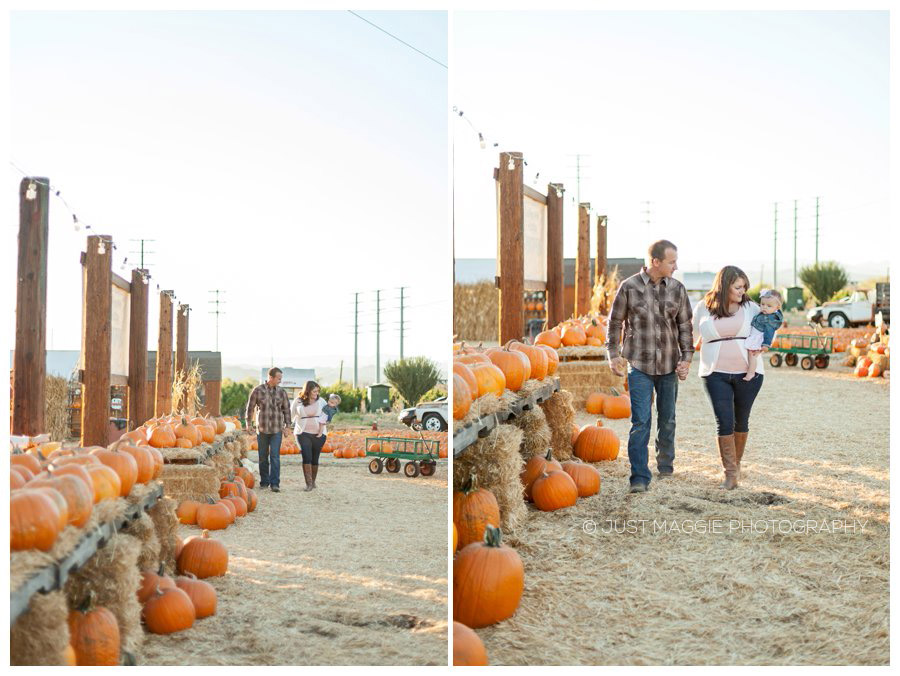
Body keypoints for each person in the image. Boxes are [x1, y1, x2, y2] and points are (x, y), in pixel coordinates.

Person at [606, 240, 694, 493]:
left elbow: (685, 327)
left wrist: (686, 358)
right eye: (671, 261)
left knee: (667, 420)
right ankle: (639, 477)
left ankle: (665, 464)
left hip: (668, 365)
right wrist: (612, 355)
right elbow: (614, 323)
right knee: (641, 421)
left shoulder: (677, 289)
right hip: (639, 366)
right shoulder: (629, 287)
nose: (676, 266)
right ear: (655, 262)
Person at [692, 265, 765, 489]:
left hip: (748, 373)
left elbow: (770, 325)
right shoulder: (703, 307)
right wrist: (685, 357)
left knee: (741, 421)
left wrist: (766, 343)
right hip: (715, 374)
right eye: (737, 287)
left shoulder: (752, 307)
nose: (742, 291)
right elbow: (690, 335)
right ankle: (730, 474)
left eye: (744, 287)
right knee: (724, 421)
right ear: (724, 286)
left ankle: (737, 463)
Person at [245, 367, 292, 492]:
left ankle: (275, 483)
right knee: (262, 457)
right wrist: (248, 424)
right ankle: (264, 482)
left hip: (277, 429)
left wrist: (288, 426)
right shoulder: (258, 390)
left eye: (281, 378)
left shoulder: (282, 392)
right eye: (278, 378)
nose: (280, 381)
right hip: (262, 429)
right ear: (270, 377)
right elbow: (250, 408)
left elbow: (286, 410)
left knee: (275, 456)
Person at [291, 380, 327, 491]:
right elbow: (291, 415)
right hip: (302, 433)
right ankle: (309, 484)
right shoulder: (298, 401)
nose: (316, 393)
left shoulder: (321, 401)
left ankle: (313, 481)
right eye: (314, 391)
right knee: (306, 456)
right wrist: (286, 427)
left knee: (315, 459)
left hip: (319, 433)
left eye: (317, 391)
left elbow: (328, 414)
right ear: (307, 391)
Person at [742, 289, 784, 380]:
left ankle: (751, 373)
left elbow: (769, 333)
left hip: (759, 338)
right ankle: (750, 371)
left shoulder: (770, 320)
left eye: (769, 306)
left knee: (752, 355)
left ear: (777, 308)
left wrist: (766, 344)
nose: (764, 307)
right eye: (762, 304)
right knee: (752, 354)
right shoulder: (765, 314)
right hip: (755, 335)